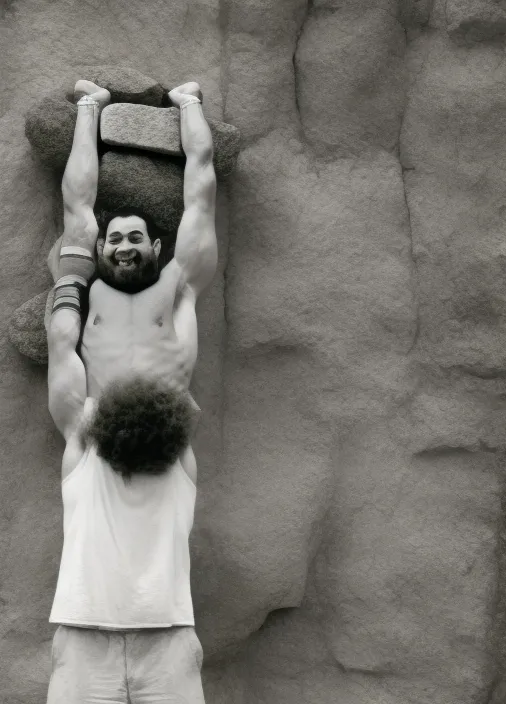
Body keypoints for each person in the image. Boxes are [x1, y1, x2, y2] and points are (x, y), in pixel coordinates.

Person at [45, 78, 216, 703]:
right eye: (112, 237)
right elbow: (76, 212)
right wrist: (89, 109)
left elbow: (201, 185)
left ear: (157, 245)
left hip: (167, 638)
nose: (121, 244)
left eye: (134, 236)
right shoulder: (82, 420)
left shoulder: (180, 288)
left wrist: (188, 103)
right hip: (96, 430)